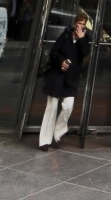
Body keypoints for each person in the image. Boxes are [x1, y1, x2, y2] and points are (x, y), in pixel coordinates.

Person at [39, 12, 90, 151]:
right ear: (75, 24)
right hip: (57, 76)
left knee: (68, 106)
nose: (81, 27)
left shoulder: (85, 39)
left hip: (71, 78)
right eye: (79, 24)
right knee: (52, 107)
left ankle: (58, 133)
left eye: (83, 25)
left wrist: (81, 39)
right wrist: (61, 62)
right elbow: (54, 52)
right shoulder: (66, 35)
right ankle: (44, 140)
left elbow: (85, 53)